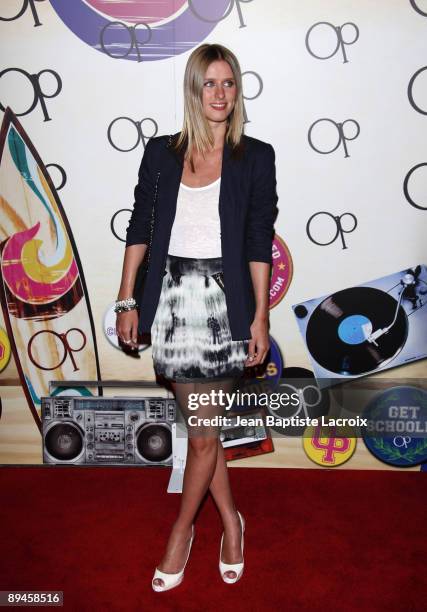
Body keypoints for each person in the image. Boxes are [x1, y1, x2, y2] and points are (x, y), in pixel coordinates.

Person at [115, 43, 279, 591]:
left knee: (203, 436)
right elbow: (140, 226)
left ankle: (181, 532)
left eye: (230, 83)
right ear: (193, 89)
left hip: (226, 302)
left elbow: (259, 242)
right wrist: (126, 299)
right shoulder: (162, 153)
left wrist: (260, 319)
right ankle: (231, 523)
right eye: (210, 83)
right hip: (170, 298)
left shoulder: (255, 156)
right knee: (204, 433)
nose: (221, 94)